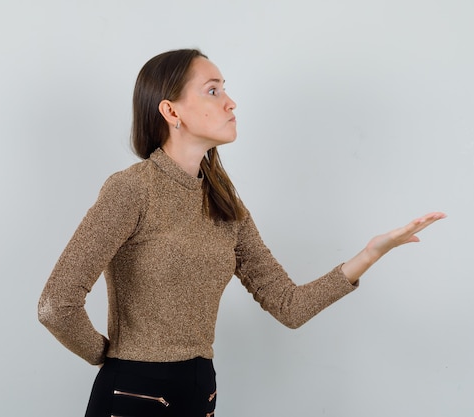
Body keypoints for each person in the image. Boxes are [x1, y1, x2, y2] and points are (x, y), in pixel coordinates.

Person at [38, 48, 446, 417]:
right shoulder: (132, 189)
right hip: (135, 395)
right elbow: (57, 304)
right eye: (212, 91)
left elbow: (290, 306)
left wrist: (371, 253)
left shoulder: (224, 203)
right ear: (172, 112)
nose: (231, 102)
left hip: (200, 394)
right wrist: (111, 357)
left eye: (225, 90)